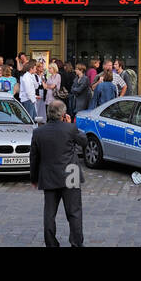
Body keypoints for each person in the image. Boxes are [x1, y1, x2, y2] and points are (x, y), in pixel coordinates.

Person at [29, 100, 85, 247]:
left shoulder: (38, 132)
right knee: (74, 213)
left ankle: (51, 243)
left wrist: (33, 178)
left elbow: (34, 157)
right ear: (63, 114)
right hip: (71, 174)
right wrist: (72, 124)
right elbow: (84, 142)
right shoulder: (70, 129)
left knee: (49, 213)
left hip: (49, 175)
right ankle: (76, 243)